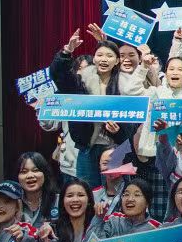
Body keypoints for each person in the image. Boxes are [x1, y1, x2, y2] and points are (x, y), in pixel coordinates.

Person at [50, 29, 145, 183]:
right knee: (87, 190)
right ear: (94, 58)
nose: (104, 59)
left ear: (117, 61)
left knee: (116, 189)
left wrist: (118, 131)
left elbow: (133, 120)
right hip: (88, 146)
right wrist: (67, 52)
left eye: (109, 56)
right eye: (100, 55)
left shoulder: (126, 85)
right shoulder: (82, 79)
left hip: (116, 147)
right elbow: (60, 77)